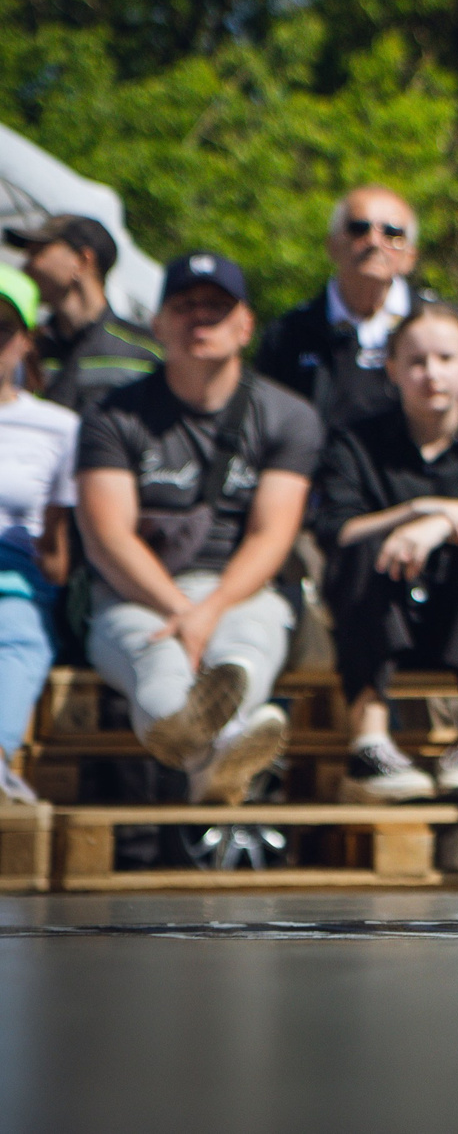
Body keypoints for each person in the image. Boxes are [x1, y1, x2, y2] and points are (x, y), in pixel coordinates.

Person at [74, 252, 320, 803]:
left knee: (243, 651)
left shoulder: (288, 415)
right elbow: (107, 537)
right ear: (158, 324)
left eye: (217, 307)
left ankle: (207, 755)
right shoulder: (113, 416)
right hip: (134, 590)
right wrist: (180, 611)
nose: (200, 318)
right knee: (158, 667)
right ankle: (224, 753)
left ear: (245, 325)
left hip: (241, 587)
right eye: (184, 306)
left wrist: (208, 611)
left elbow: (272, 535)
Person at [310, 303, 458, 804]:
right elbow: (334, 529)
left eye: (445, 358)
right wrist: (414, 511)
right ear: (392, 370)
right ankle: (370, 739)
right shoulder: (356, 441)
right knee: (364, 548)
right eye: (416, 361)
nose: (431, 373)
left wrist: (442, 524)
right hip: (379, 614)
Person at [256, 187, 458, 430]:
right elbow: (264, 424)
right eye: (359, 228)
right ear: (332, 245)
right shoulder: (289, 334)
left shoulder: (446, 328)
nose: (374, 242)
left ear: (410, 257)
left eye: (393, 233)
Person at [0, 267, 78, 803]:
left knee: (20, 636)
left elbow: (56, 553)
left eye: (1, 329)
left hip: (16, 578)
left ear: (26, 340)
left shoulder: (58, 427)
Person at [5, 214, 157, 408]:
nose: (26, 266)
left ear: (82, 260)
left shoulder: (145, 351)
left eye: (37, 252)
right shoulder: (26, 347)